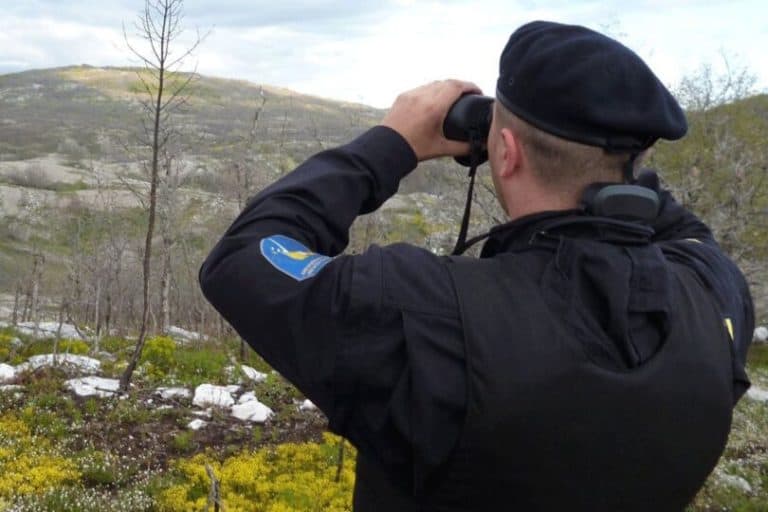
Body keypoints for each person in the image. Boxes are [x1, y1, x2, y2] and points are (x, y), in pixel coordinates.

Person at [199, 20, 753, 511]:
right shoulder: (712, 300)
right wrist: (606, 163)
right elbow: (683, 231)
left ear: (504, 153)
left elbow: (245, 256)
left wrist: (392, 143)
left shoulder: (424, 317)